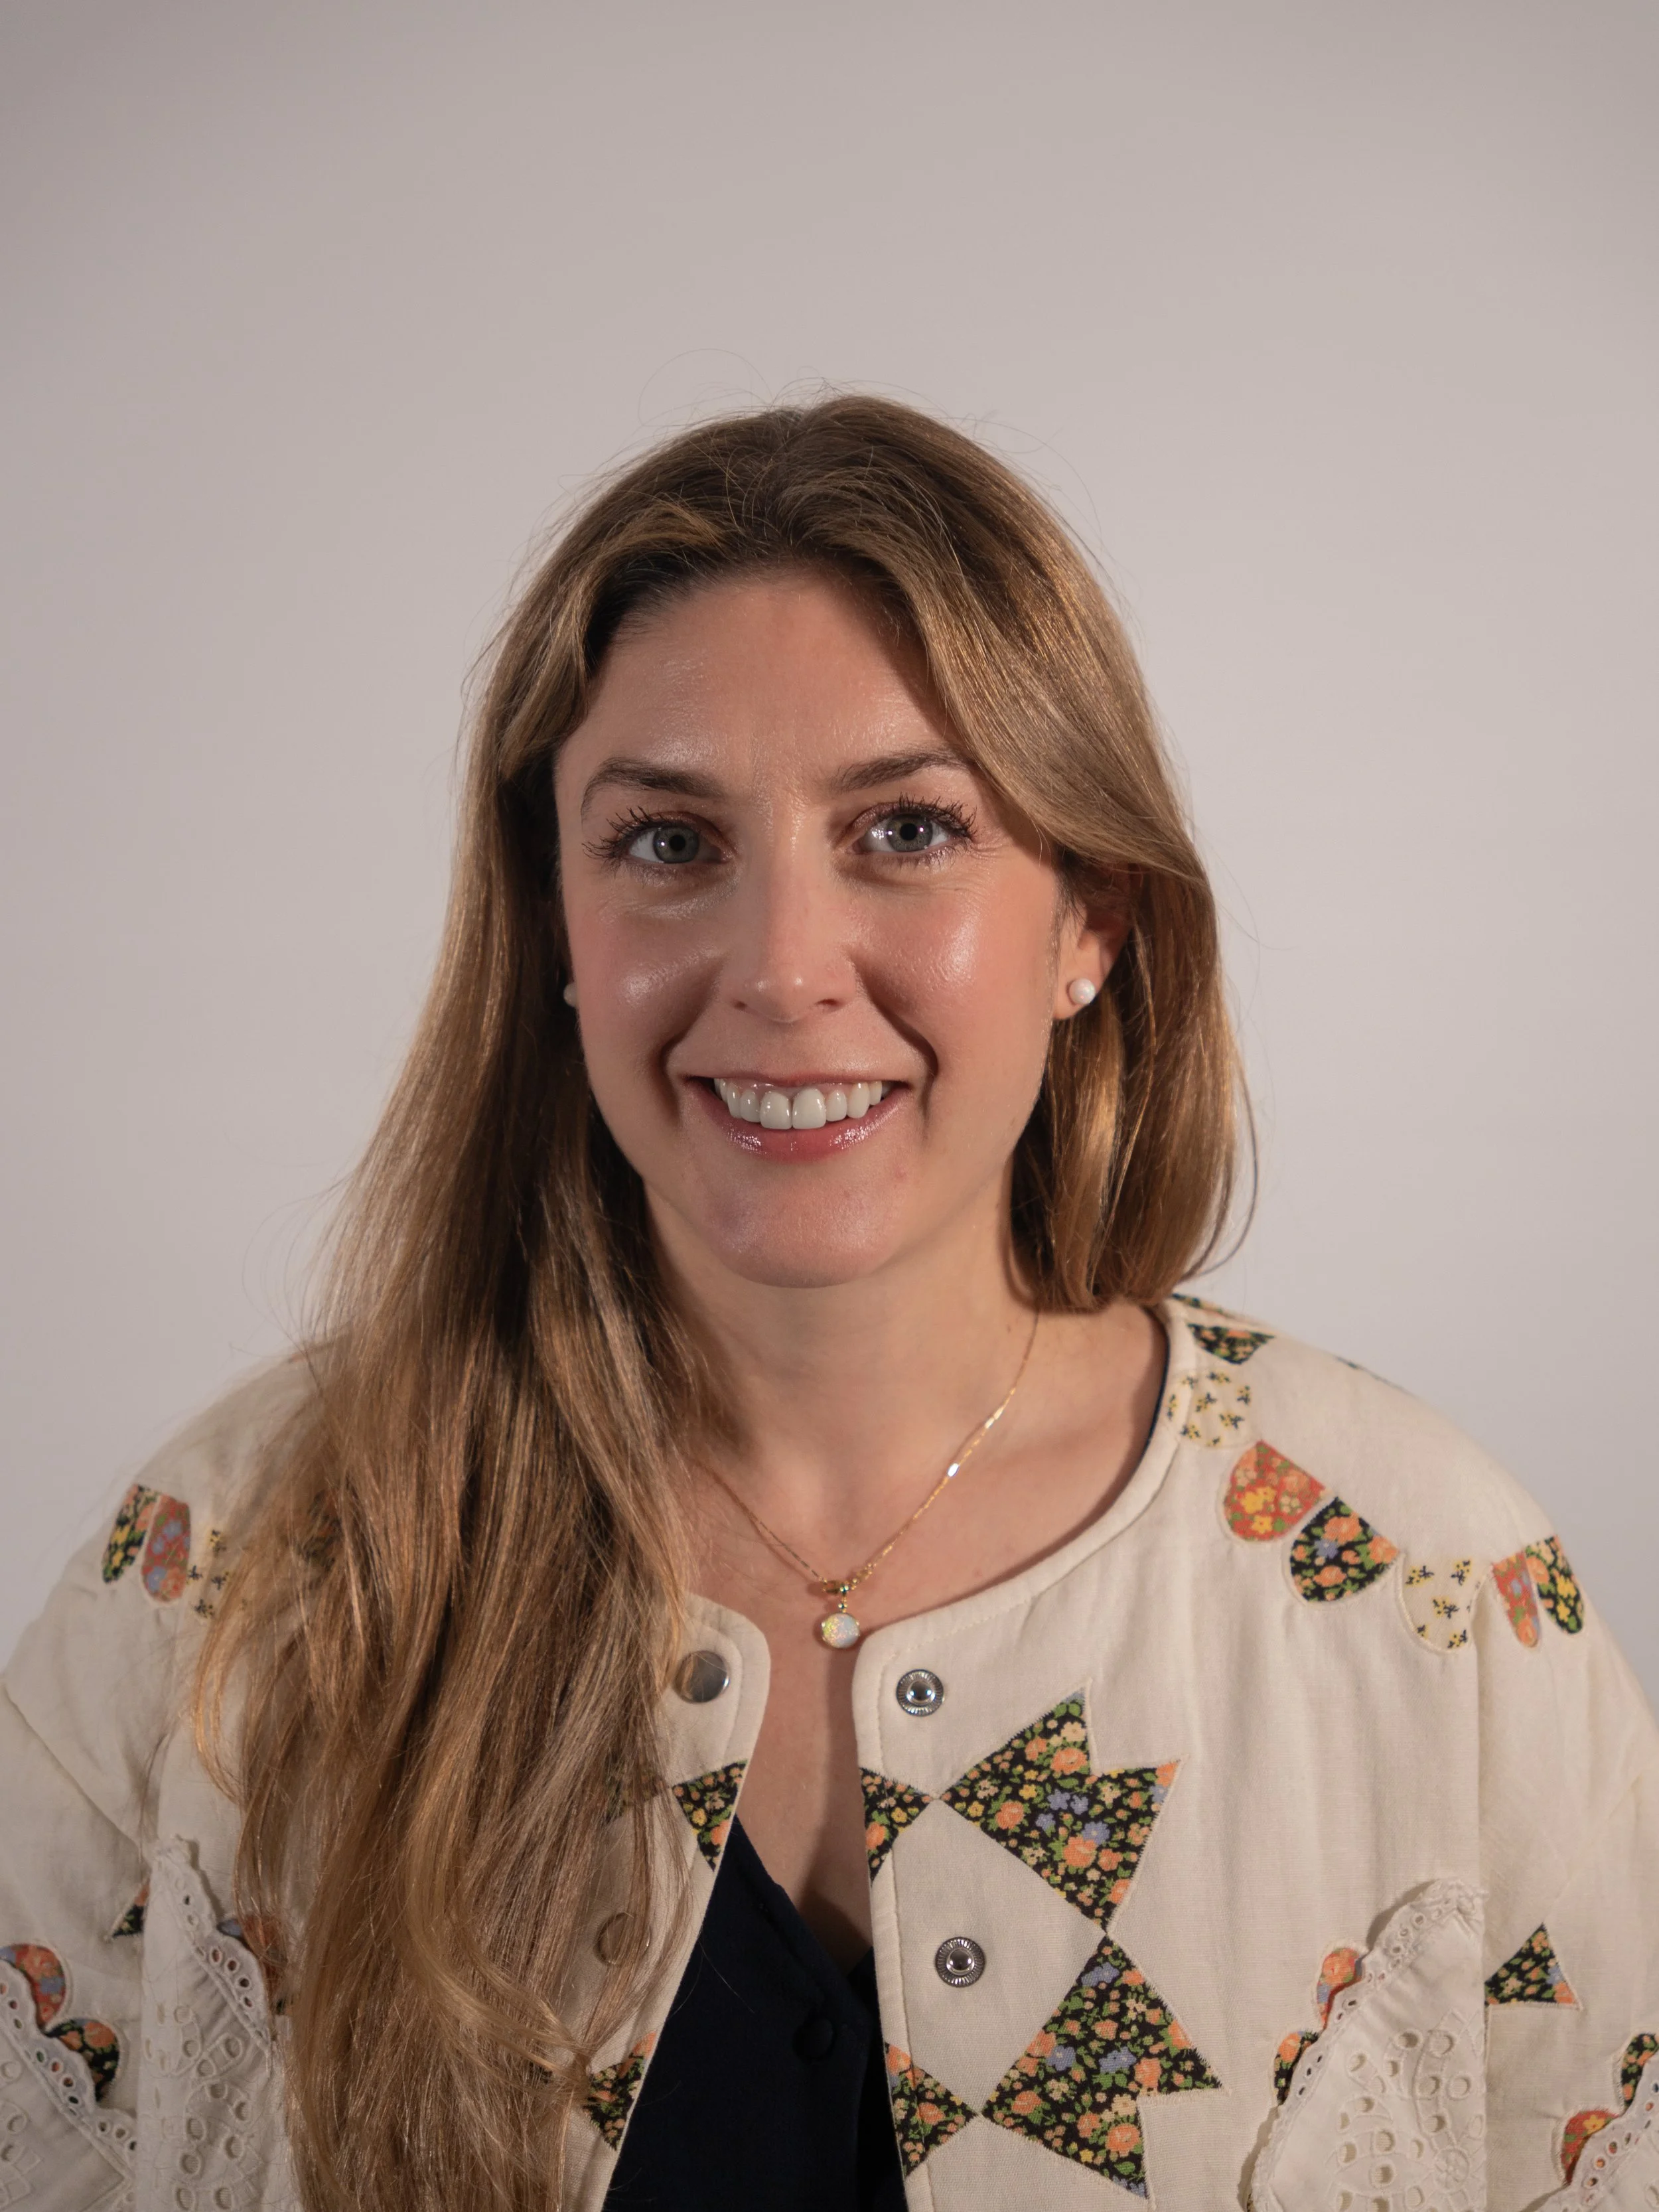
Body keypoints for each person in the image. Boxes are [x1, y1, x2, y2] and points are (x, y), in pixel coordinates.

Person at [3, 396, 1655, 2212]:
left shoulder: (1434, 1594)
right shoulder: (234, 1572)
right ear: (552, 924)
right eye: (666, 842)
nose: (783, 970)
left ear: (1091, 920)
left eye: (908, 829)